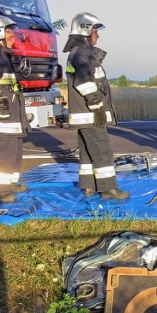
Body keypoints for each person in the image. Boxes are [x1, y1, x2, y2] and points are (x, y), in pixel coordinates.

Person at [63, 12, 128, 200]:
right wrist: (98, 107)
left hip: (83, 114)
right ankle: (108, 190)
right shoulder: (82, 52)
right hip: (91, 113)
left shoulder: (78, 52)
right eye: (95, 30)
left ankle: (88, 187)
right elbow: (84, 83)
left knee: (87, 152)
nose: (97, 35)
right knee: (101, 150)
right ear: (85, 29)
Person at [0, 16, 31, 203]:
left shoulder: (5, 56)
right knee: (4, 153)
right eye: (10, 32)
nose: (14, 36)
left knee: (15, 150)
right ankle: (1, 191)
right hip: (3, 116)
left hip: (13, 114)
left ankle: (11, 183)